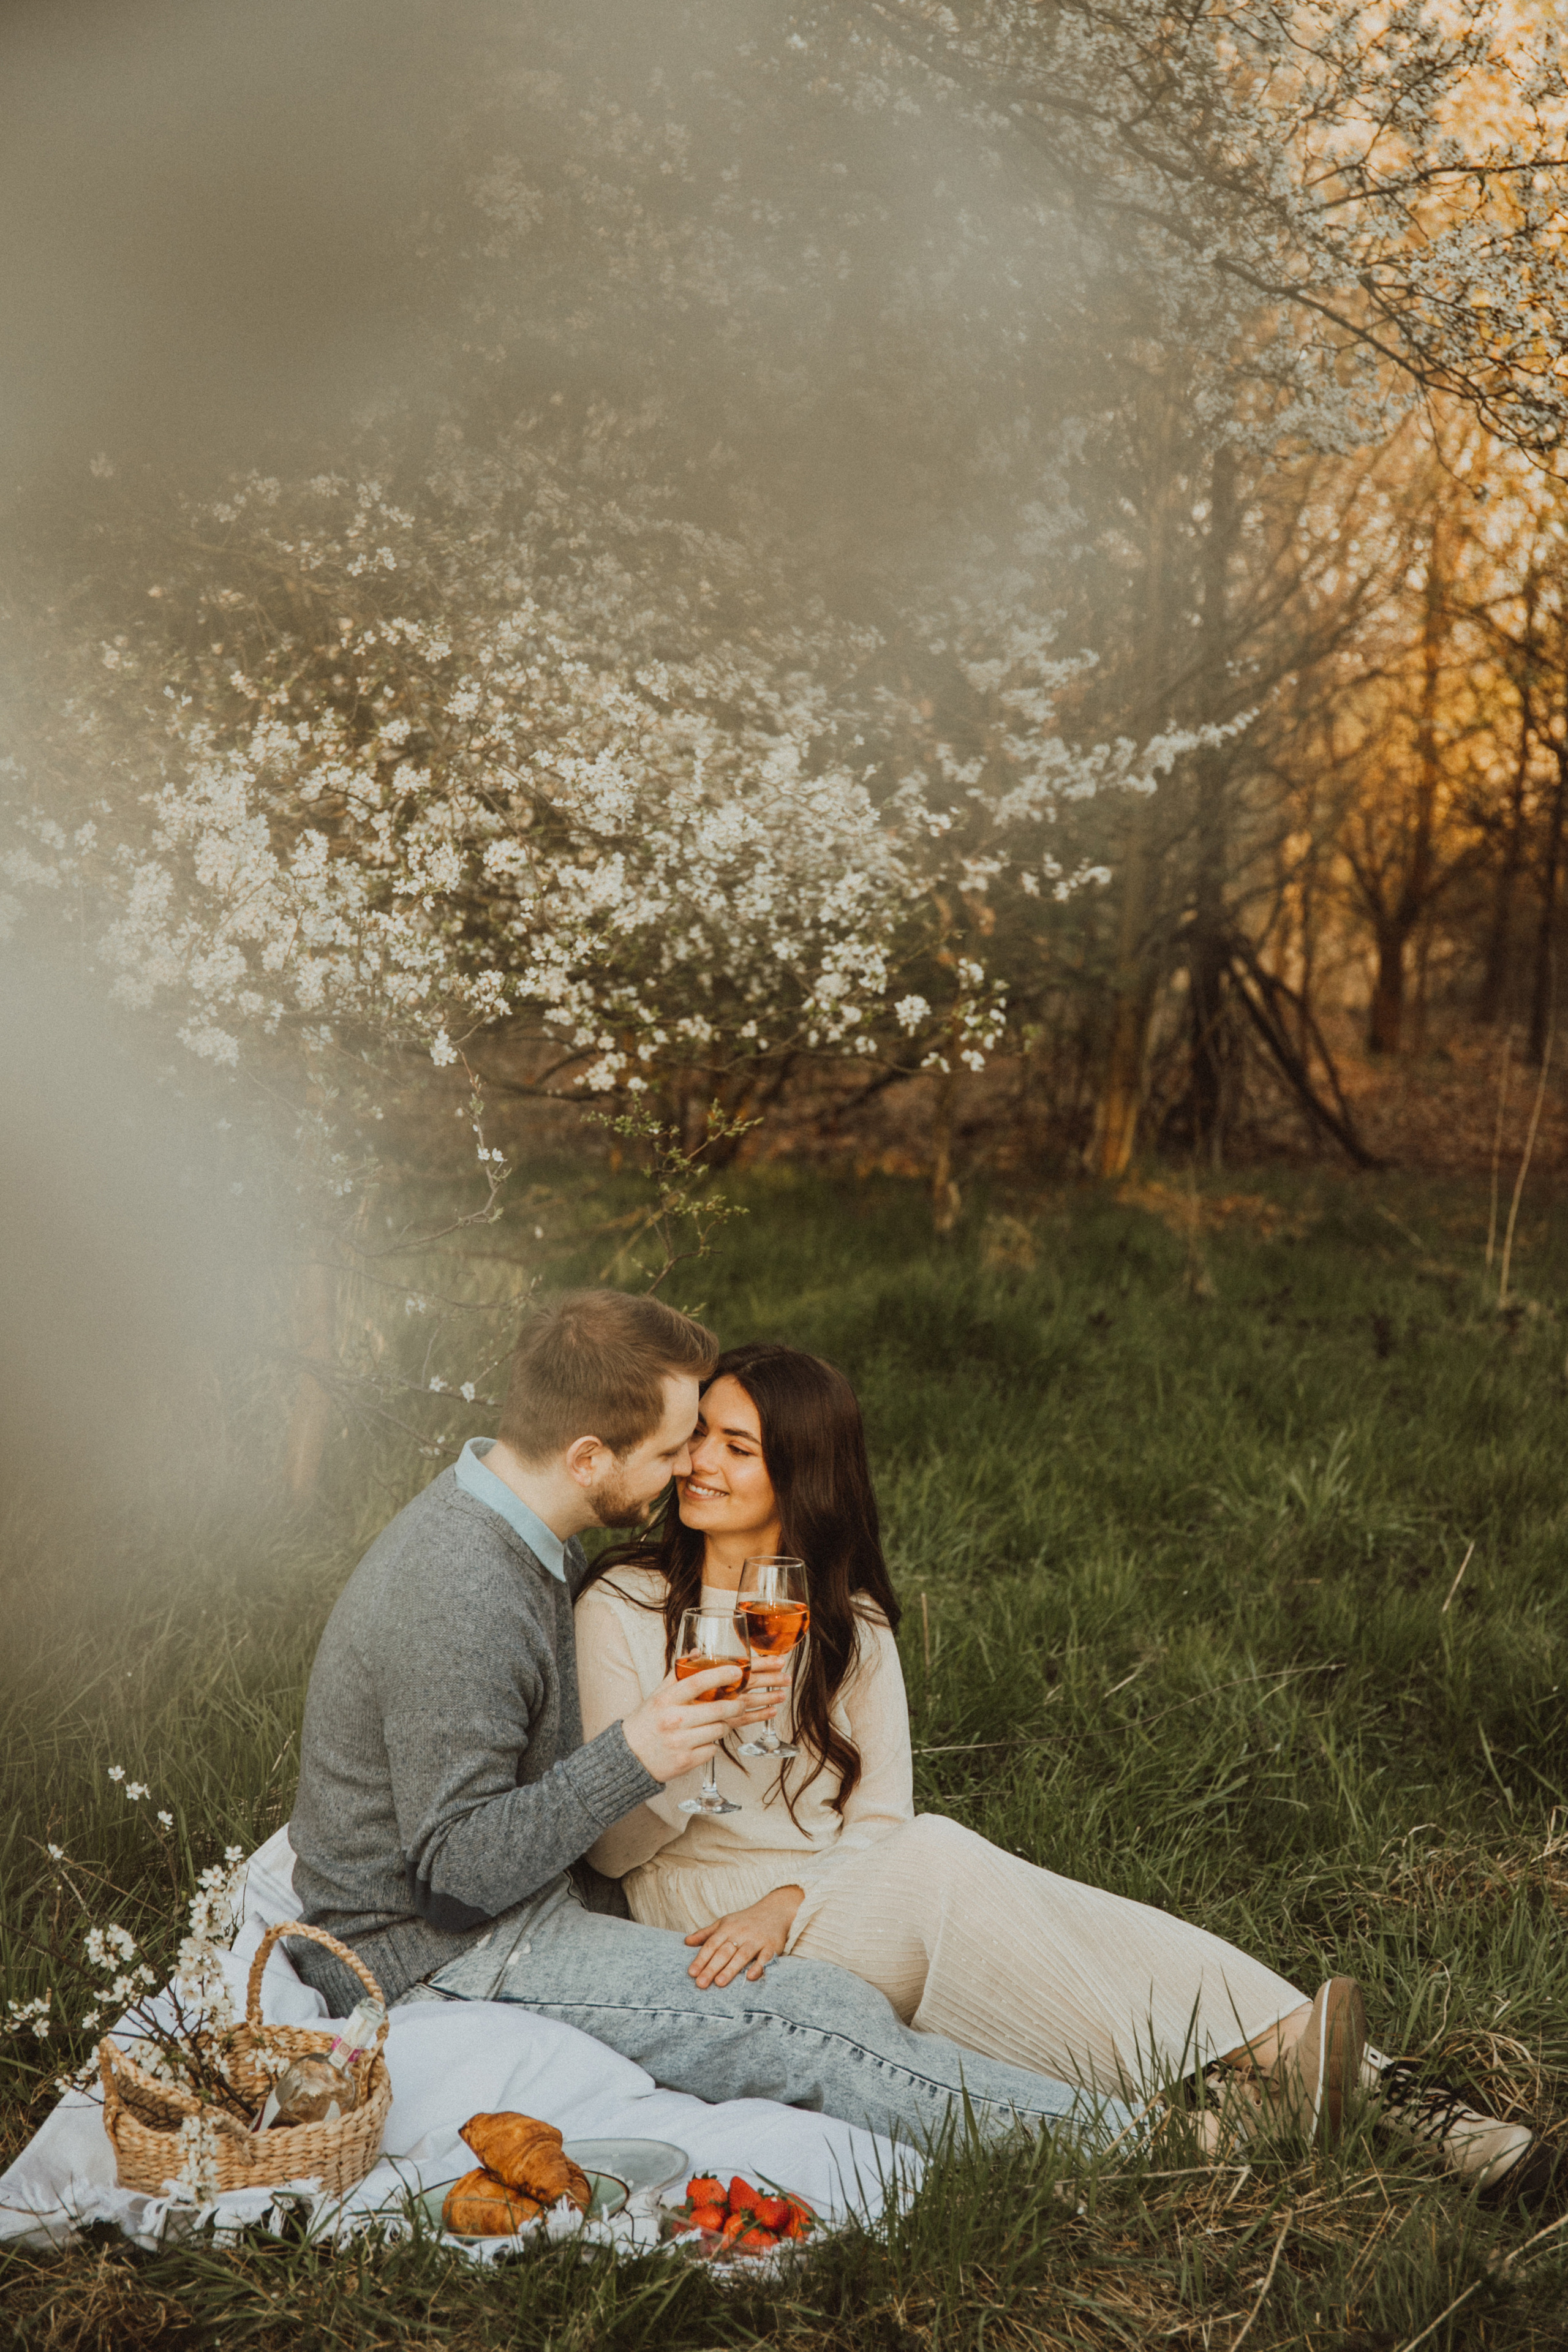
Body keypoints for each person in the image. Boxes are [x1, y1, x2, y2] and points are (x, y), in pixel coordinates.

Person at [576, 1341, 1554, 2199]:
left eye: (734, 1447)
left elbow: (879, 1824)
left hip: (825, 1891)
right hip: (701, 1915)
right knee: (948, 1862)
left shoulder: (851, 1627)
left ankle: (1358, 2087)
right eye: (699, 1434)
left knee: (1021, 1892)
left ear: (805, 1474)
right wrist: (681, 1744)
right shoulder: (624, 1604)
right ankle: (1344, 2088)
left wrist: (793, 1896)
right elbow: (612, 1850)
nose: (697, 1461)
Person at [287, 1289, 1142, 2154]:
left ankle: (1134, 2054)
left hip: (508, 1913)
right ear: (589, 1457)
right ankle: (1132, 2141)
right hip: (423, 1958)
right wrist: (642, 1753)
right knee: (814, 2018)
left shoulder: (527, 1536)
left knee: (852, 1968)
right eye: (672, 1449)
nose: (686, 1469)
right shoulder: (460, 1589)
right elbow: (456, 1878)